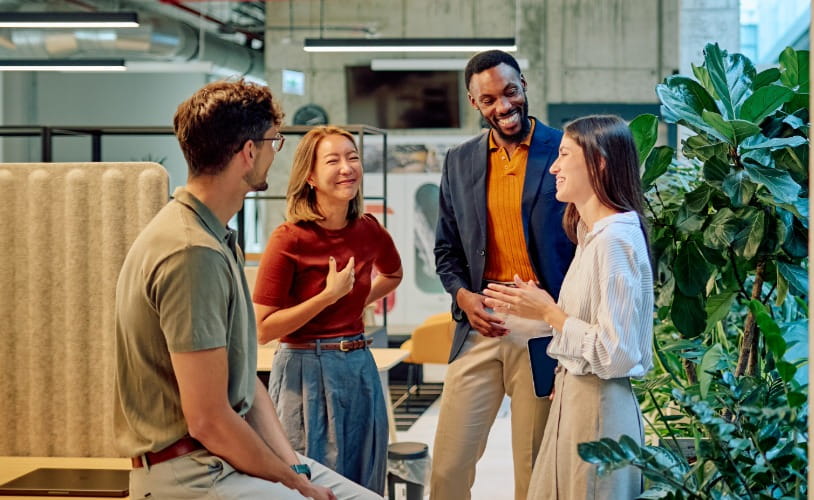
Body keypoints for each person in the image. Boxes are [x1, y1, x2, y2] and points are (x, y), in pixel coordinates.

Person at [113, 80, 379, 499]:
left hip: (223, 459)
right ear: (249, 152)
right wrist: (294, 483)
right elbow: (209, 421)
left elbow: (244, 385)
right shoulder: (190, 253)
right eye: (275, 141)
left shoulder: (215, 237)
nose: (278, 153)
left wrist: (292, 467)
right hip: (195, 473)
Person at [482, 115, 654, 499]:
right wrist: (538, 311)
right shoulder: (592, 236)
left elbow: (617, 352)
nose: (554, 167)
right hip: (575, 398)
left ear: (599, 162)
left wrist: (549, 313)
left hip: (598, 409)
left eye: (563, 154)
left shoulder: (613, 241)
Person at [430, 49, 576, 500]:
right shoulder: (460, 161)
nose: (503, 106)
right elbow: (446, 251)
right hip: (480, 323)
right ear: (475, 104)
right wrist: (462, 297)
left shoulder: (566, 150)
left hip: (540, 325)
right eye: (489, 99)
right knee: (449, 466)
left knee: (532, 468)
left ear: (524, 86)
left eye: (510, 92)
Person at [252, 125, 404, 495]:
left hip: (359, 365)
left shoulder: (369, 229)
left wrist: (354, 299)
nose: (347, 167)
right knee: (312, 480)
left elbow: (393, 273)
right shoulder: (288, 238)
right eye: (333, 160)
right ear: (310, 176)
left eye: (352, 158)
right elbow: (262, 328)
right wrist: (328, 297)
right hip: (304, 370)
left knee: (366, 477)